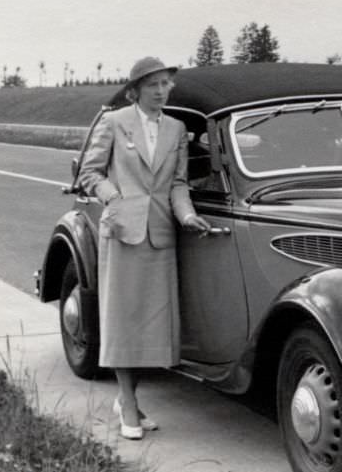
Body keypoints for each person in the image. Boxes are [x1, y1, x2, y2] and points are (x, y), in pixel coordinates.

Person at [79, 57, 211, 440]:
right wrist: (113, 198)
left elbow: (178, 184)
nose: (159, 90)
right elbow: (90, 173)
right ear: (135, 90)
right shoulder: (115, 122)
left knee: (152, 327)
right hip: (122, 231)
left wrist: (186, 217)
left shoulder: (176, 129)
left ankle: (128, 400)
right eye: (151, 84)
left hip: (160, 235)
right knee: (124, 320)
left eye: (165, 83)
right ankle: (128, 404)